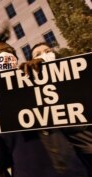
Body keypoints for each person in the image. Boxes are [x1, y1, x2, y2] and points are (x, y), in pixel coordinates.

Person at [0, 31, 90, 177]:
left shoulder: (41, 84)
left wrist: (48, 77)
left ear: (15, 59)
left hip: (68, 171)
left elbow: (79, 126)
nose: (4, 55)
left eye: (9, 51)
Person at [29, 42, 92, 177]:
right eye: (37, 55)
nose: (43, 56)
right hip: (66, 161)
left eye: (47, 51)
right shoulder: (34, 92)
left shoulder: (78, 76)